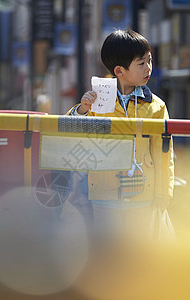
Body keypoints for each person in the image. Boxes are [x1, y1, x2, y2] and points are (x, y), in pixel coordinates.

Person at [67, 29, 175, 240]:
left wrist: (164, 192)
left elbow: (165, 152)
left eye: (150, 61)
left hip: (145, 192)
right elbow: (71, 130)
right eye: (141, 63)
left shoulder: (156, 107)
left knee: (141, 253)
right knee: (110, 253)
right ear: (119, 70)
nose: (149, 68)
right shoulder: (96, 102)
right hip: (105, 192)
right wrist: (82, 109)